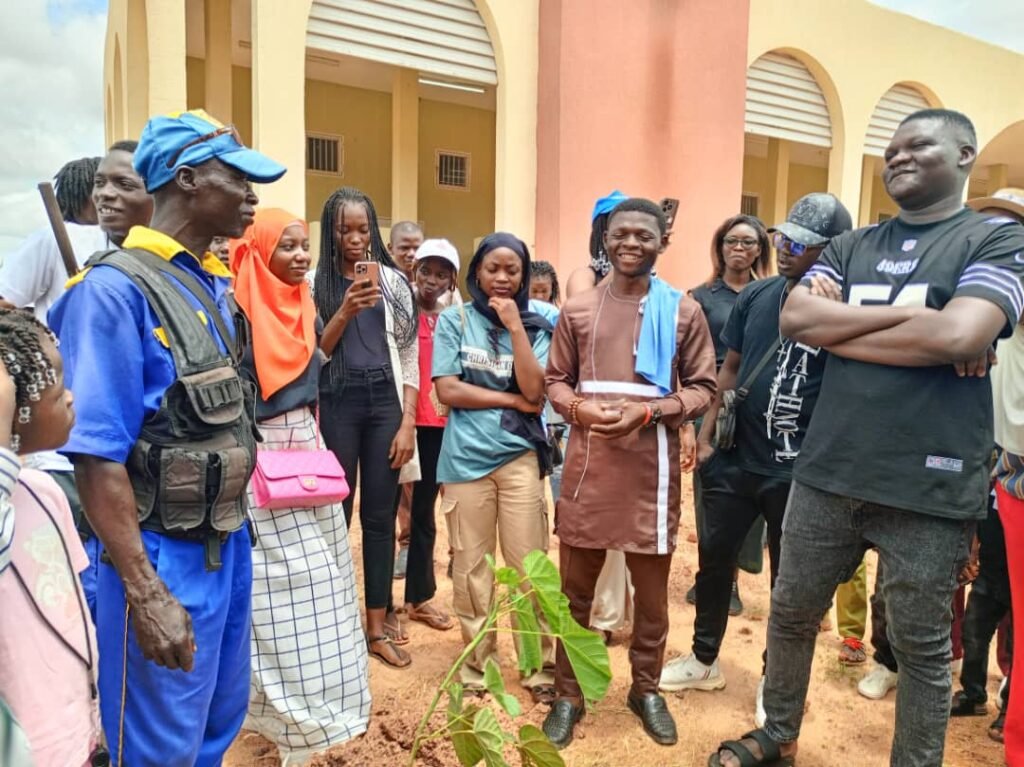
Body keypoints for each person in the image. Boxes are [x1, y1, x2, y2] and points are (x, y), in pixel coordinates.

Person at [710, 108, 1024, 767]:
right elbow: (798, 315)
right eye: (891, 148)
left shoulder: (993, 241)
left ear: (965, 153)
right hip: (828, 470)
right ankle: (779, 734)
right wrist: (924, 327)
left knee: (920, 646)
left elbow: (964, 335)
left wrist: (852, 328)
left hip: (928, 484)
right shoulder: (853, 245)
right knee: (793, 613)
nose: (899, 156)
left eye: (919, 144)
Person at [49, 109, 286, 767]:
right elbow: (98, 456)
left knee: (212, 725)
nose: (251, 195)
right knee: (155, 746)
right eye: (238, 178)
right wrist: (145, 592)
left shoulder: (210, 284)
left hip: (225, 544)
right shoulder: (114, 291)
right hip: (158, 553)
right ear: (187, 178)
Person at [660, 194, 852, 730]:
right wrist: (707, 435)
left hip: (800, 471)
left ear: (831, 251)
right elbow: (732, 365)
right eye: (782, 238)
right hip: (735, 458)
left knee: (788, 585)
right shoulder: (761, 295)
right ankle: (702, 659)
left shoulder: (851, 305)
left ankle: (777, 681)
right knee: (714, 563)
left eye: (801, 244)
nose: (784, 249)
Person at [542, 198, 716, 749]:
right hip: (590, 462)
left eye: (645, 235)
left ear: (662, 241)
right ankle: (568, 695)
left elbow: (704, 388)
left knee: (652, 597)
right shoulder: (578, 310)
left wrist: (650, 412)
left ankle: (645, 689)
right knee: (576, 593)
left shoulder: (683, 310)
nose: (631, 243)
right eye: (621, 234)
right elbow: (555, 381)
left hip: (652, 464)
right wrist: (578, 410)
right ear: (605, 239)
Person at [229, 209, 370, 761]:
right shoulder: (236, 311)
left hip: (306, 457)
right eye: (287, 246)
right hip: (261, 468)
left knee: (325, 587)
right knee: (276, 596)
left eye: (305, 245)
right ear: (261, 251)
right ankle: (278, 718)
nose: (301, 256)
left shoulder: (302, 303)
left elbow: (312, 365)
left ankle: (309, 722)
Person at [432, 231, 556, 700]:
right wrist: (508, 398)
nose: (502, 278)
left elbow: (535, 392)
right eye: (492, 269)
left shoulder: (540, 323)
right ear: (476, 273)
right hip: (464, 462)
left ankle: (537, 667)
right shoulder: (454, 320)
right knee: (471, 568)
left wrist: (516, 327)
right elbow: (448, 390)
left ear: (524, 277)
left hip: (520, 457)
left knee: (529, 566)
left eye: (513, 270)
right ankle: (477, 668)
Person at [314, 186, 419, 669]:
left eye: (362, 228)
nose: (355, 239)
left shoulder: (395, 283)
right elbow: (316, 355)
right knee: (336, 517)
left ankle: (376, 627)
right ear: (330, 232)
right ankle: (333, 625)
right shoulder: (315, 285)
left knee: (380, 518)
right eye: (344, 229)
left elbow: (411, 353)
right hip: (337, 401)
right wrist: (345, 309)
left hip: (384, 401)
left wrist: (408, 421)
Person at [0, 309, 102, 767]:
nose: (70, 397)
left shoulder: (44, 493)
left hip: (78, 731)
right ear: (13, 409)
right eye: (57, 387)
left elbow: (75, 613)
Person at [683, 214, 773, 616]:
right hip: (710, 404)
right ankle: (712, 577)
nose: (739, 248)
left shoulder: (773, 293)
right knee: (711, 494)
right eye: (731, 241)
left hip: (755, 406)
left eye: (748, 242)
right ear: (719, 248)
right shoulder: (700, 296)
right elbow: (686, 355)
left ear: (760, 249)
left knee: (749, 490)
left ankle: (735, 574)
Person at [564, 190, 636, 641]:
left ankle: (611, 616)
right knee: (591, 519)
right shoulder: (583, 277)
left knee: (627, 521)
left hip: (634, 411)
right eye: (613, 225)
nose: (624, 237)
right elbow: (586, 326)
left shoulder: (651, 285)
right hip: (590, 408)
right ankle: (589, 613)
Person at [402, 238, 459, 632]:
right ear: (414, 271)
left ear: (452, 281)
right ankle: (380, 607)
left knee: (424, 513)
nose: (432, 280)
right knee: (385, 510)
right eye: (426, 271)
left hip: (437, 426)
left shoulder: (454, 320)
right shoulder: (399, 314)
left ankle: (419, 598)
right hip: (399, 423)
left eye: (442, 274)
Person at [388, 221, 425, 581]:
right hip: (397, 399)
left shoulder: (441, 290)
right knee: (405, 481)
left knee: (438, 484)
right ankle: (406, 543)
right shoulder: (383, 286)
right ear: (390, 246)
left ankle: (445, 549)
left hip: (435, 400)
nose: (411, 254)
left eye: (417, 247)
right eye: (405, 247)